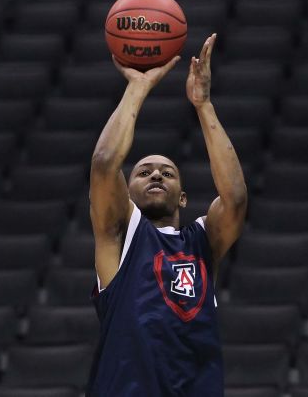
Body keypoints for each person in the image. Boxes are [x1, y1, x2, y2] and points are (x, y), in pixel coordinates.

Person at [86, 34, 247, 396]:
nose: (156, 174)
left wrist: (203, 105)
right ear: (125, 194)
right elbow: (103, 164)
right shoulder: (119, 235)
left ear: (184, 197)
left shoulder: (202, 242)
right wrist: (138, 87)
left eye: (167, 172)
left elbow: (235, 198)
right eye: (143, 172)